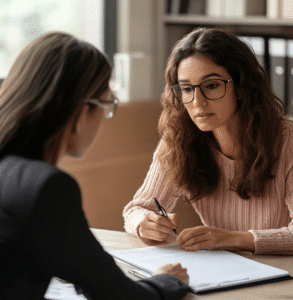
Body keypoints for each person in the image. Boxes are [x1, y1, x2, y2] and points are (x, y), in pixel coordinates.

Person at [0, 32, 190, 299]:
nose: (106, 116)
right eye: (107, 104)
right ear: (80, 113)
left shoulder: (12, 174)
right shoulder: (45, 187)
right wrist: (168, 281)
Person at [123, 27, 293, 255]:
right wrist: (145, 223)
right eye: (187, 89)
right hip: (221, 273)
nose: (197, 102)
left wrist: (233, 239)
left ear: (241, 87)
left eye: (212, 85)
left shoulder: (291, 140)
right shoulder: (178, 139)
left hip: (285, 277)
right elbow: (136, 209)